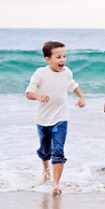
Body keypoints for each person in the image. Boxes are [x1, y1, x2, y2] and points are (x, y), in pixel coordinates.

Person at [26, 41, 86, 196]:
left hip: (61, 117)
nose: (62, 60)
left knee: (58, 150)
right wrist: (39, 96)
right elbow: (29, 92)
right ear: (48, 59)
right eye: (58, 57)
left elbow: (72, 84)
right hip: (43, 119)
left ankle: (55, 184)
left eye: (64, 56)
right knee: (45, 151)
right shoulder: (40, 73)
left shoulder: (67, 72)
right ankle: (46, 171)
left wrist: (81, 96)